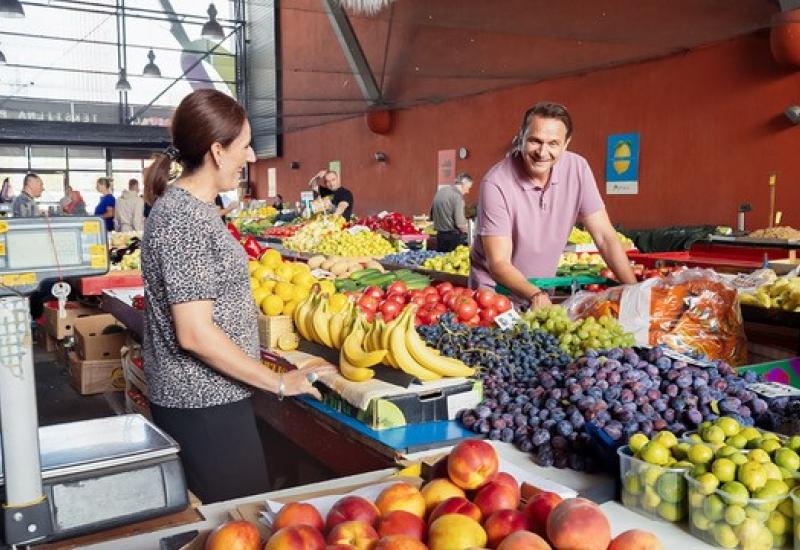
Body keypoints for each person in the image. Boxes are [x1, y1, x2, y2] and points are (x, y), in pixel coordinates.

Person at [141, 89, 332, 504]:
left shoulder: (194, 209)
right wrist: (279, 384)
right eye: (244, 147)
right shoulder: (183, 219)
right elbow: (194, 333)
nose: (250, 159)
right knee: (239, 521)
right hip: (202, 400)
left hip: (214, 395)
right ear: (216, 151)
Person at [470, 102, 636, 308]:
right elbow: (498, 263)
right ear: (521, 137)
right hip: (496, 297)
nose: (542, 152)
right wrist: (535, 295)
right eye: (535, 141)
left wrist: (634, 292)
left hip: (540, 293)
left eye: (553, 143)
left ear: (566, 144)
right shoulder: (496, 183)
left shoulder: (578, 169)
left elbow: (605, 237)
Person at [430, 173, 473, 253]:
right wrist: (471, 232)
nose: (468, 191)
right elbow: (460, 224)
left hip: (440, 236)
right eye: (468, 188)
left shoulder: (440, 192)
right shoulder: (457, 197)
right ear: (463, 184)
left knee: (441, 261)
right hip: (453, 239)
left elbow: (432, 216)